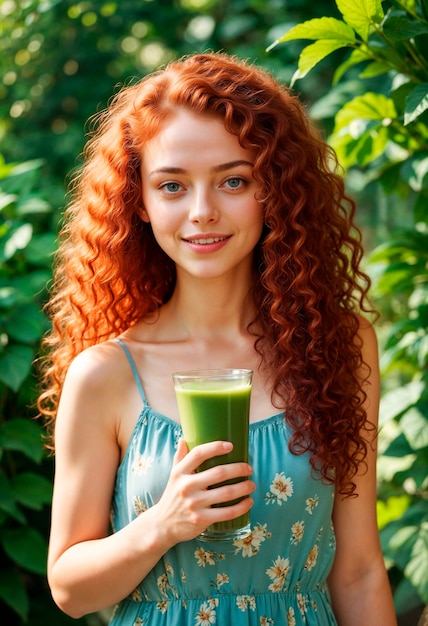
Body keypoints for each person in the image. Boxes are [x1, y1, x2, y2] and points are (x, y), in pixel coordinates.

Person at [38, 51, 397, 625]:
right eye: (172, 186)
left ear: (275, 190)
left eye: (233, 180)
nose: (202, 212)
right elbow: (71, 589)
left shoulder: (341, 348)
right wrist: (164, 522)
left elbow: (356, 569)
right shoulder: (106, 373)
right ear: (141, 204)